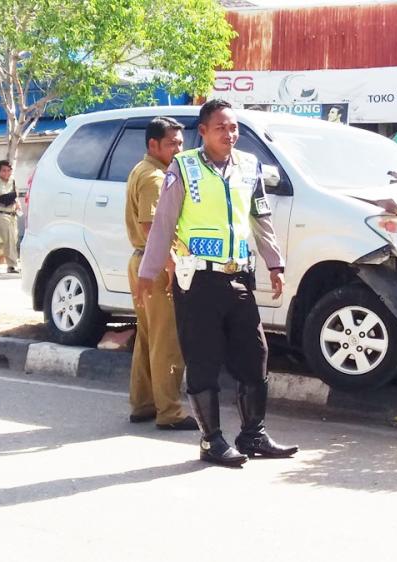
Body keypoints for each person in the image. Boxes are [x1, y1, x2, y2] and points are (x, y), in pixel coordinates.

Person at [137, 99, 297, 467]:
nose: (230, 133)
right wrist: (148, 271)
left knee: (255, 355)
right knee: (203, 360)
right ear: (204, 131)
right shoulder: (184, 167)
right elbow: (163, 223)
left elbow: (260, 217)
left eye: (234, 127)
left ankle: (253, 434)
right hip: (198, 280)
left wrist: (275, 264)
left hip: (238, 276)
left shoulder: (249, 166)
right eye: (221, 127)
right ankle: (211, 441)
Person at [124, 117, 198, 431]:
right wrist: (170, 266)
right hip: (156, 265)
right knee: (167, 341)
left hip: (142, 262)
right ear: (153, 144)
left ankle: (144, 404)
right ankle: (169, 412)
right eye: (172, 143)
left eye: (181, 143)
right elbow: (151, 227)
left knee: (148, 337)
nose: (178, 149)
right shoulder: (155, 177)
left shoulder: (142, 170)